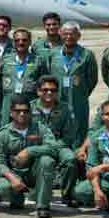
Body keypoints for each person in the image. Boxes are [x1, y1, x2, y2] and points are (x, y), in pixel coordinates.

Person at [0, 95, 60, 218]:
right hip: (14, 174)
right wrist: (12, 178)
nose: (22, 114)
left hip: (34, 173)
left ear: (30, 112)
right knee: (2, 187)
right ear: (11, 113)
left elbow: (54, 148)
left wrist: (30, 151)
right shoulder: (3, 134)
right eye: (18, 111)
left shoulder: (40, 129)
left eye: (26, 111)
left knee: (47, 160)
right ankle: (16, 197)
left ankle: (42, 206)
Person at [45, 22, 98, 143]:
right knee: (56, 128)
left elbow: (92, 80)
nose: (69, 37)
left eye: (72, 34)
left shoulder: (87, 55)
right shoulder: (53, 53)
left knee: (78, 130)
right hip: (56, 99)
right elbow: (48, 74)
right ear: (60, 34)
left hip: (78, 101)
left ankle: (79, 156)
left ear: (79, 36)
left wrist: (80, 92)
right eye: (65, 34)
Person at [32, 76, 81, 207]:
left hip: (59, 145)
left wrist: (52, 147)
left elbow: (69, 136)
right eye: (45, 90)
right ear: (38, 91)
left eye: (53, 90)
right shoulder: (29, 108)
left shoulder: (65, 109)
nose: (49, 93)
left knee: (70, 159)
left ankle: (67, 194)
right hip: (37, 147)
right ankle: (34, 189)